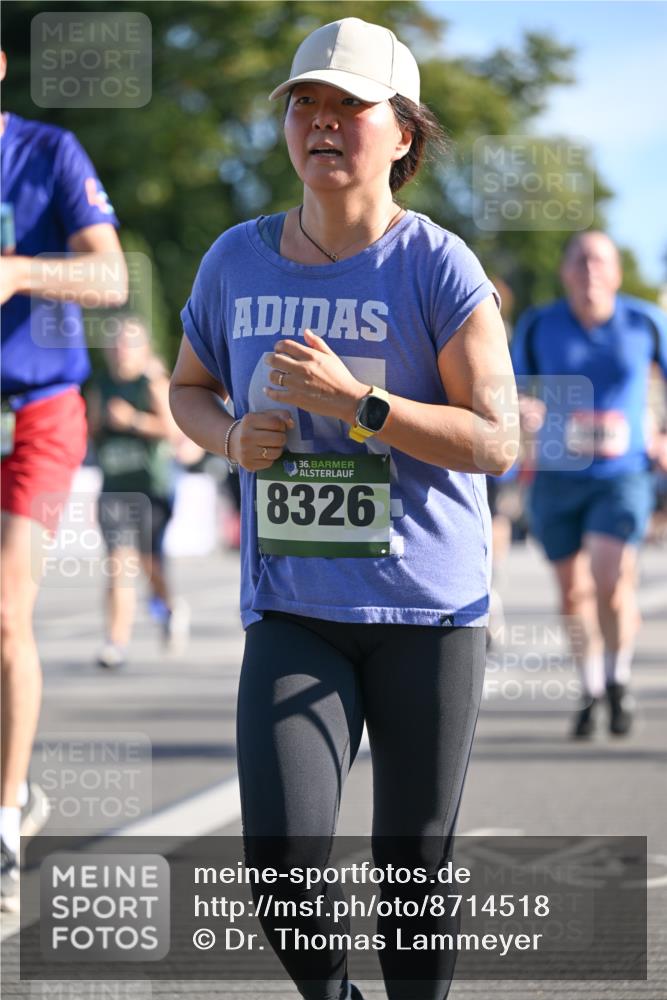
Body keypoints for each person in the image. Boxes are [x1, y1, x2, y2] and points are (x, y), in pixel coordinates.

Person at [170, 18, 518, 1000]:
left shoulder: (436, 268)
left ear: (400, 133)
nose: (321, 124)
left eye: (348, 107)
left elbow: (496, 439)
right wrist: (229, 438)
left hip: (427, 612)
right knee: (279, 865)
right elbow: (187, 389)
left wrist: (360, 405)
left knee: (411, 874)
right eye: (304, 106)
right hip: (293, 610)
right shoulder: (234, 261)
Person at [0, 50, 127, 910]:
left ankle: (4, 821)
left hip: (39, 413)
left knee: (5, 612)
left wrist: (16, 270)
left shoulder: (48, 153)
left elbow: (112, 277)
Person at [512, 231, 667, 739]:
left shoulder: (645, 322)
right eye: (578, 260)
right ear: (565, 273)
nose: (589, 270)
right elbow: (511, 388)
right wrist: (523, 407)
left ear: (618, 272)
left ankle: (619, 678)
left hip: (622, 475)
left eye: (600, 260)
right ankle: (591, 687)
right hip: (557, 476)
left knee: (609, 578)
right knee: (571, 591)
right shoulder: (540, 325)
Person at [86, 315, 190, 669]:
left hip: (151, 490)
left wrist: (132, 420)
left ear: (143, 349)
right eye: (115, 344)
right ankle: (115, 642)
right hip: (114, 489)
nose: (120, 351)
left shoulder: (152, 384)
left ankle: (170, 608)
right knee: (118, 564)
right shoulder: (100, 385)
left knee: (149, 566)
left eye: (128, 343)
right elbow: (92, 432)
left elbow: (173, 430)